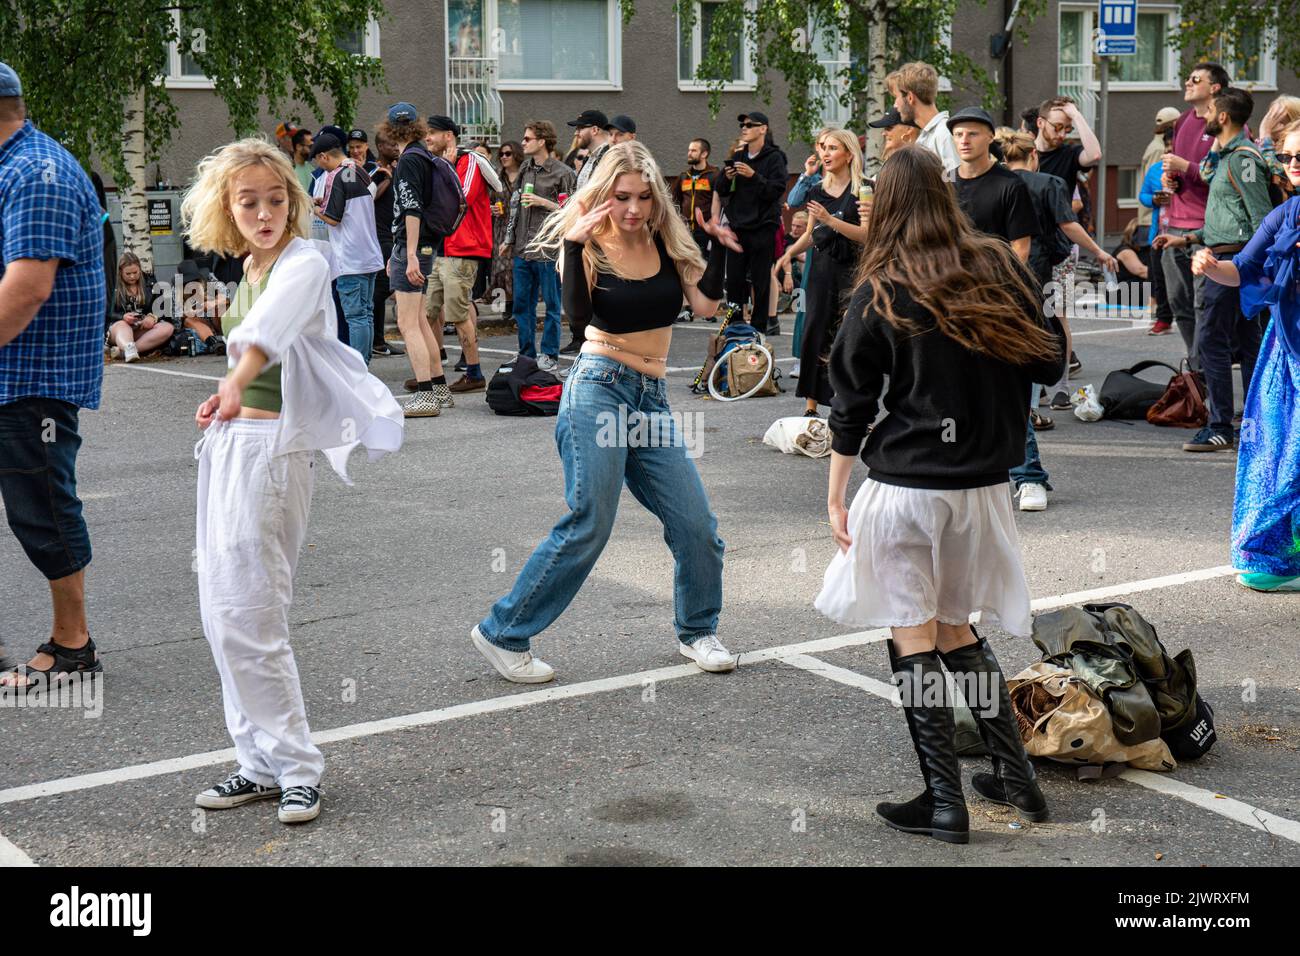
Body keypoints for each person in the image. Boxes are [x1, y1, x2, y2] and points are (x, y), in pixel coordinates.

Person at [816, 145, 1063, 843]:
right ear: (946, 195)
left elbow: (850, 405)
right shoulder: (999, 268)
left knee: (913, 633)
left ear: (888, 205)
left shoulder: (883, 286)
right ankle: (1022, 784)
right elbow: (1048, 358)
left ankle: (943, 801)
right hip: (984, 490)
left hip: (906, 487)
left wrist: (836, 496)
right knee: (956, 627)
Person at [183, 137, 403, 825]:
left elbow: (268, 336)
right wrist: (225, 402)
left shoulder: (306, 261)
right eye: (248, 201)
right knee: (222, 613)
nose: (264, 211)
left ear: (295, 202)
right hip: (232, 445)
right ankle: (257, 763)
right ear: (227, 207)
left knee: (254, 611)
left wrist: (233, 383)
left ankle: (298, 766)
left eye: (276, 199)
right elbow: (253, 349)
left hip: (273, 455)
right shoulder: (249, 266)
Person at [470, 141, 741, 684]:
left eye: (643, 197)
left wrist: (725, 250)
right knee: (590, 521)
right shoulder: (589, 242)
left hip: (652, 398)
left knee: (697, 526)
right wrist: (572, 244)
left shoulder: (666, 240)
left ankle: (697, 629)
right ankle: (503, 631)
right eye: (622, 197)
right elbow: (577, 317)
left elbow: (707, 306)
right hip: (599, 388)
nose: (634, 209)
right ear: (605, 195)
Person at [0, 62, 106, 691]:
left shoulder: (36, 172)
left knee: (41, 507)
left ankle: (74, 643)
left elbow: (27, 288)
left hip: (30, 373)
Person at [1197, 123, 1300, 591]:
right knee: (1276, 455)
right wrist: (1211, 266)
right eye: (1287, 157)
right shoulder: (1284, 217)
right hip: (1285, 351)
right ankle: (1280, 556)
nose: (1293, 165)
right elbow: (1242, 271)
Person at [995, 127, 1117, 512]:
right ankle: (1029, 471)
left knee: (1001, 379)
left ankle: (1007, 468)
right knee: (1035, 355)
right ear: (1033, 156)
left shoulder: (991, 182)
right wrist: (1098, 251)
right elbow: (1068, 225)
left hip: (992, 285)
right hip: (1036, 279)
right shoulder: (1047, 182)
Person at [1160, 87, 1271, 454]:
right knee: (1248, 343)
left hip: (1234, 262)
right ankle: (1257, 422)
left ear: (1222, 117)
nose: (1202, 117)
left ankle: (1221, 425)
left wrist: (1246, 267)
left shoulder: (1244, 159)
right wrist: (1186, 238)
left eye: (1208, 111)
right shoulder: (1223, 156)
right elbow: (1225, 216)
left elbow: (1260, 219)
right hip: (1224, 253)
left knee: (1212, 341)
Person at [775, 128, 865, 415]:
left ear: (849, 154)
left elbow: (867, 234)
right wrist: (788, 253)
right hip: (821, 269)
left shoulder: (864, 187)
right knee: (814, 329)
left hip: (852, 270)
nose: (825, 153)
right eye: (823, 147)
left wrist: (831, 220)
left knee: (849, 336)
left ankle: (850, 403)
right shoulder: (817, 190)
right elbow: (812, 234)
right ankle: (811, 404)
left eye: (833, 148)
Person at [383, 103, 453, 417]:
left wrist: (408, 255)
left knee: (407, 322)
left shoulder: (409, 160)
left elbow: (411, 209)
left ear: (388, 130)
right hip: (425, 245)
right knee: (421, 319)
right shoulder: (423, 156)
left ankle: (425, 395)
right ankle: (439, 388)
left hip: (415, 246)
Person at [1160, 63, 1232, 360]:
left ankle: (1201, 371)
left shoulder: (1226, 122)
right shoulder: (1183, 120)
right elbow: (1183, 172)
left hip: (1206, 228)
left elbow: (1227, 175)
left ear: (1214, 87)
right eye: (1187, 77)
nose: (1187, 82)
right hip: (1175, 224)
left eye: (1195, 79)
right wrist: (1171, 178)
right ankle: (1195, 363)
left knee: (1204, 304)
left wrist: (1184, 167)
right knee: (1179, 303)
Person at [421, 116, 497, 393]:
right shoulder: (438, 164)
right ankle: (429, 372)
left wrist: (446, 167)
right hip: (439, 249)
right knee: (426, 313)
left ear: (449, 136)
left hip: (463, 250)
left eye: (432, 133)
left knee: (458, 314)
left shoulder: (470, 162)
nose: (427, 138)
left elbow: (459, 199)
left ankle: (474, 372)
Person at [502, 119, 575, 372]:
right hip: (523, 248)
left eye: (527, 139)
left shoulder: (563, 173)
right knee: (522, 305)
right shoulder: (525, 169)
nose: (523, 143)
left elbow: (570, 211)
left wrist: (543, 202)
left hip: (548, 249)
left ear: (542, 141)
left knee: (553, 306)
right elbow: (514, 205)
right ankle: (526, 354)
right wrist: (508, 239)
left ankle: (550, 355)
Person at [311, 132, 384, 364]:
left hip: (350, 257)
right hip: (369, 252)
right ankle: (365, 362)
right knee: (367, 313)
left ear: (324, 157)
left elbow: (333, 218)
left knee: (355, 316)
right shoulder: (358, 171)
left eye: (318, 160)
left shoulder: (335, 175)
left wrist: (314, 209)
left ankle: (358, 365)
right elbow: (366, 198)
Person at [720, 110, 788, 336]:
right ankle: (734, 324)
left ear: (763, 129)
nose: (744, 128)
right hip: (738, 228)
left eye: (750, 125)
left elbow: (776, 190)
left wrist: (753, 176)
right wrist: (726, 178)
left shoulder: (774, 157)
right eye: (743, 125)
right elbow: (720, 189)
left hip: (762, 228)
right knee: (735, 282)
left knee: (761, 282)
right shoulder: (738, 155)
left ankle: (758, 328)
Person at [947, 108, 1036, 262]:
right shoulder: (944, 181)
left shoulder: (1011, 185)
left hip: (995, 280)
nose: (964, 141)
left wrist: (1005, 283)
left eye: (973, 134)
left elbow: (1020, 247)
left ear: (990, 137)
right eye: (958, 134)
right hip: (949, 279)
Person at [369, 129, 404, 357]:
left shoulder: (398, 169)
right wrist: (387, 178)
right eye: (392, 144)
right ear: (381, 147)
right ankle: (377, 340)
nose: (395, 147)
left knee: (384, 288)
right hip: (380, 237)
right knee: (380, 289)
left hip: (393, 235)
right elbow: (368, 199)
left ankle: (378, 339)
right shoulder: (376, 172)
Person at [891, 62, 958, 171]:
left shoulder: (944, 134)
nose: (895, 105)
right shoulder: (927, 136)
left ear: (910, 98)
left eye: (896, 97)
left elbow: (955, 183)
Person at [107, 252, 174, 361]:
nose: (132, 276)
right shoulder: (112, 284)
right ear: (120, 272)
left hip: (141, 328)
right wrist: (122, 317)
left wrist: (153, 317)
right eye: (128, 274)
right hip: (118, 330)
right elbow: (105, 311)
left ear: (139, 269)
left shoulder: (150, 281)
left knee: (167, 327)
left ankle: (127, 352)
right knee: (123, 325)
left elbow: (162, 306)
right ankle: (128, 348)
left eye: (135, 272)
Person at [490, 140, 523, 314]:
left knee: (516, 267)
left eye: (508, 153)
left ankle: (518, 306)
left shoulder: (524, 176)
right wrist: (491, 209)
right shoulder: (497, 178)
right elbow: (485, 202)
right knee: (501, 268)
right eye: (501, 154)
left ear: (516, 154)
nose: (503, 157)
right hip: (501, 228)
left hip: (520, 227)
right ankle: (503, 308)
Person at [673, 137, 718, 257]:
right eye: (689, 150)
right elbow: (674, 202)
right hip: (685, 231)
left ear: (704, 154)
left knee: (706, 267)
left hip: (706, 232)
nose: (689, 153)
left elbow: (721, 203)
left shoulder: (714, 175)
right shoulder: (683, 176)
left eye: (693, 151)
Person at [569, 108, 612, 191]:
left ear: (595, 130)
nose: (576, 133)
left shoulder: (609, 157)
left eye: (580, 128)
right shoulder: (591, 157)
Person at [291, 128, 314, 193]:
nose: (313, 150)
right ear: (298, 147)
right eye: (310, 147)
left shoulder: (310, 167)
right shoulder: (290, 172)